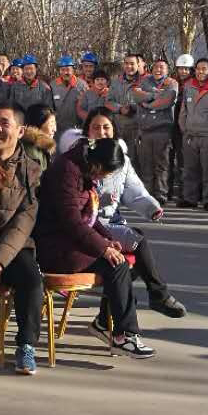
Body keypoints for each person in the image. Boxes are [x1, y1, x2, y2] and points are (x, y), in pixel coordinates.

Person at [33, 136, 155, 358]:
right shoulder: (67, 171)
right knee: (117, 265)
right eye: (105, 174)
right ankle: (123, 336)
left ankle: (107, 324)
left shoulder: (82, 168)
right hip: (56, 247)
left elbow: (89, 215)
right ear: (98, 165)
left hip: (69, 241)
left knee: (124, 260)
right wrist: (103, 248)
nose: (103, 179)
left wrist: (107, 239)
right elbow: (72, 221)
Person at [59, 107, 187, 319]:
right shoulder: (77, 159)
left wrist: (151, 207)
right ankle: (157, 295)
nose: (101, 132)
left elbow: (133, 190)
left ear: (114, 130)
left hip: (114, 223)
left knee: (130, 261)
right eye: (96, 127)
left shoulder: (121, 160)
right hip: (89, 226)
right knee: (137, 241)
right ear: (87, 131)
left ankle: (107, 318)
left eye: (106, 127)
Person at [0, 102, 45, 374]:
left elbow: (25, 220)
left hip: (12, 245)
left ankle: (26, 346)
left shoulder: (32, 170)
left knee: (32, 280)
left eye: (4, 123)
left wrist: (0, 260)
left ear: (20, 131)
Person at [178, 57, 208, 210]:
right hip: (190, 135)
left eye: (204, 69)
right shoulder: (188, 86)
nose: (200, 72)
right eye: (198, 69)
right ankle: (189, 198)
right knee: (189, 168)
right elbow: (183, 110)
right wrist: (184, 129)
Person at [132, 58, 178, 205]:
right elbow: (136, 96)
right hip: (145, 130)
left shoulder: (172, 83)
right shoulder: (145, 81)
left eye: (162, 67)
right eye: (156, 67)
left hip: (162, 130)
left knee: (162, 165)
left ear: (167, 70)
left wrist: (148, 105)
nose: (158, 69)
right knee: (146, 164)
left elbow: (167, 100)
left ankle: (161, 194)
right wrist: (154, 94)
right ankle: (147, 193)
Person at [169, 54, 195, 201]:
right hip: (170, 125)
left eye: (186, 69)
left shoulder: (194, 84)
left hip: (185, 126)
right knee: (168, 159)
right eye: (181, 68)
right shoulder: (171, 82)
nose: (183, 71)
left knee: (183, 161)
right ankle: (167, 190)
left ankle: (185, 192)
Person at [109, 53, 143, 160]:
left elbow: (150, 102)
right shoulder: (115, 82)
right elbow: (108, 101)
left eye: (132, 64)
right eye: (126, 63)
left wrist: (134, 107)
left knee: (135, 161)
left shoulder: (145, 81)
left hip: (137, 130)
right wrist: (120, 109)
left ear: (138, 65)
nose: (129, 66)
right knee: (119, 159)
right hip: (119, 129)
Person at [51, 55, 86, 139]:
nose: (65, 72)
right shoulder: (53, 85)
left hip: (76, 129)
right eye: (62, 70)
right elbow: (49, 107)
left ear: (73, 70)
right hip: (58, 130)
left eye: (68, 69)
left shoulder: (82, 85)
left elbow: (86, 107)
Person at [22, 104, 57, 171]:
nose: (55, 129)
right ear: (38, 124)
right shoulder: (31, 152)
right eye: (51, 124)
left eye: (55, 124)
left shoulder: (42, 148)